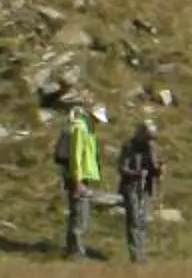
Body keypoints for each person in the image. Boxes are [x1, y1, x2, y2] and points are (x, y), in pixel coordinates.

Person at [56, 101, 108, 260]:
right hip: (77, 177)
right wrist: (77, 180)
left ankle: (74, 249)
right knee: (79, 214)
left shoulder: (88, 129)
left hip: (84, 176)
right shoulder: (80, 128)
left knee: (80, 213)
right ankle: (76, 252)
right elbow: (76, 155)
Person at [117, 118, 163, 264]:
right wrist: (136, 173)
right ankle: (135, 255)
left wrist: (159, 171)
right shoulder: (129, 146)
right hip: (131, 186)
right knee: (134, 221)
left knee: (142, 221)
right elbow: (121, 168)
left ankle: (143, 255)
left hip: (146, 188)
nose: (149, 140)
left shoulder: (152, 147)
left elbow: (155, 167)